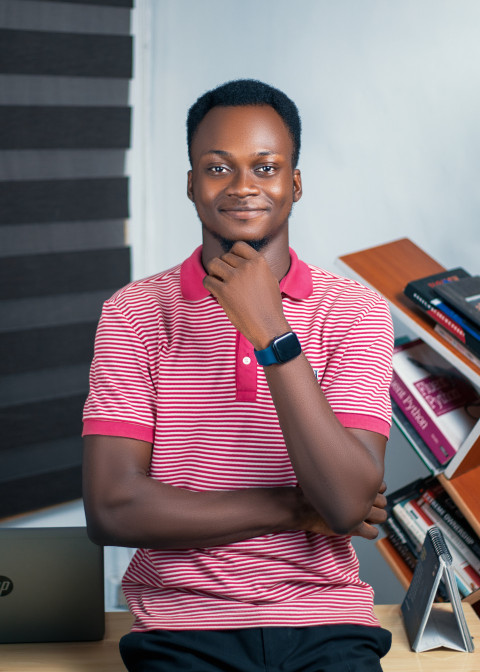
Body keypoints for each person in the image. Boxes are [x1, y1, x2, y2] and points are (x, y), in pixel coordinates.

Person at [82, 79, 394, 672]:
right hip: (181, 626)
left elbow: (348, 498)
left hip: (325, 622)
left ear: (294, 183)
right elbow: (113, 510)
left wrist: (272, 333)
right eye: (218, 167)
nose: (244, 186)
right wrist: (291, 507)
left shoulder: (355, 310)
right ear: (192, 184)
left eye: (266, 166)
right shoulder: (133, 312)